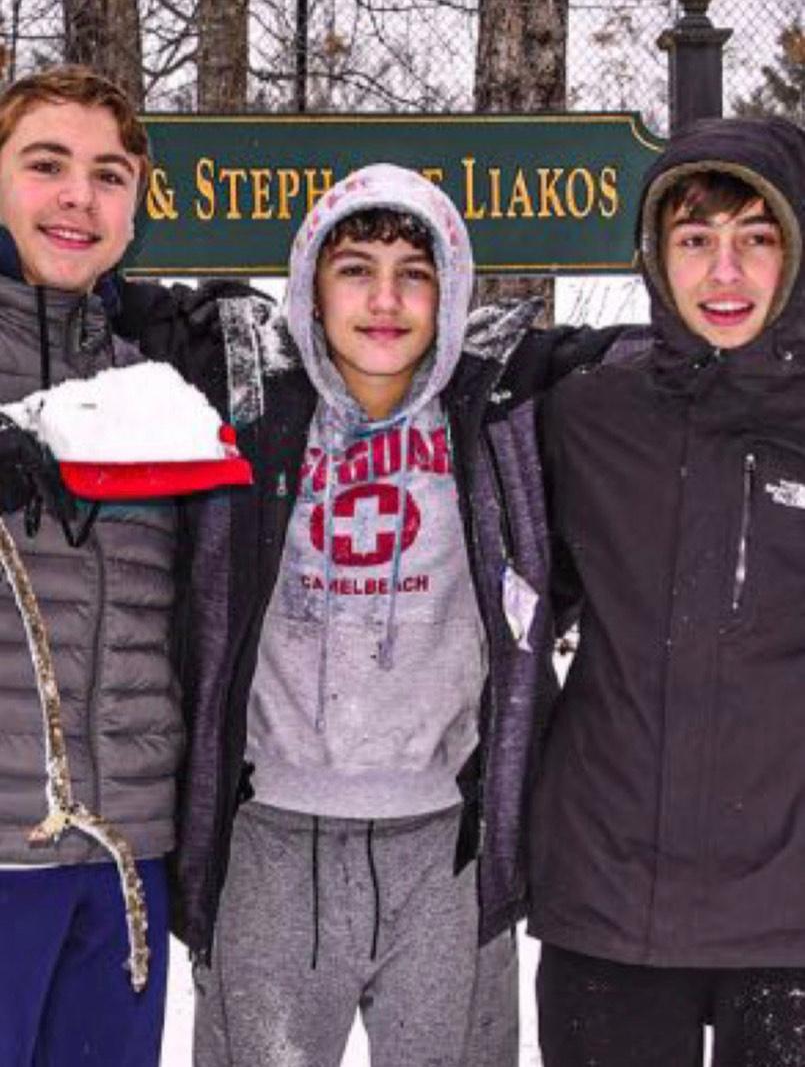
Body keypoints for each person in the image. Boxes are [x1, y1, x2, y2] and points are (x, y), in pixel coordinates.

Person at [166, 161, 622, 1067]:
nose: (384, 300)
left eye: (414, 274)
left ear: (448, 292)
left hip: (445, 847)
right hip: (270, 837)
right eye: (354, 270)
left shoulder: (500, 409)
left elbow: (668, 358)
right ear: (310, 286)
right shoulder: (247, 398)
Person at [530, 115, 805, 1066]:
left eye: (755, 238)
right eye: (694, 240)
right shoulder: (587, 417)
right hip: (608, 905)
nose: (724, 273)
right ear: (654, 255)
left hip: (789, 919)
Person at [0, 65, 224, 1067]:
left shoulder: (158, 376)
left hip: (123, 856)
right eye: (46, 165)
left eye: (108, 175)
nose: (77, 198)